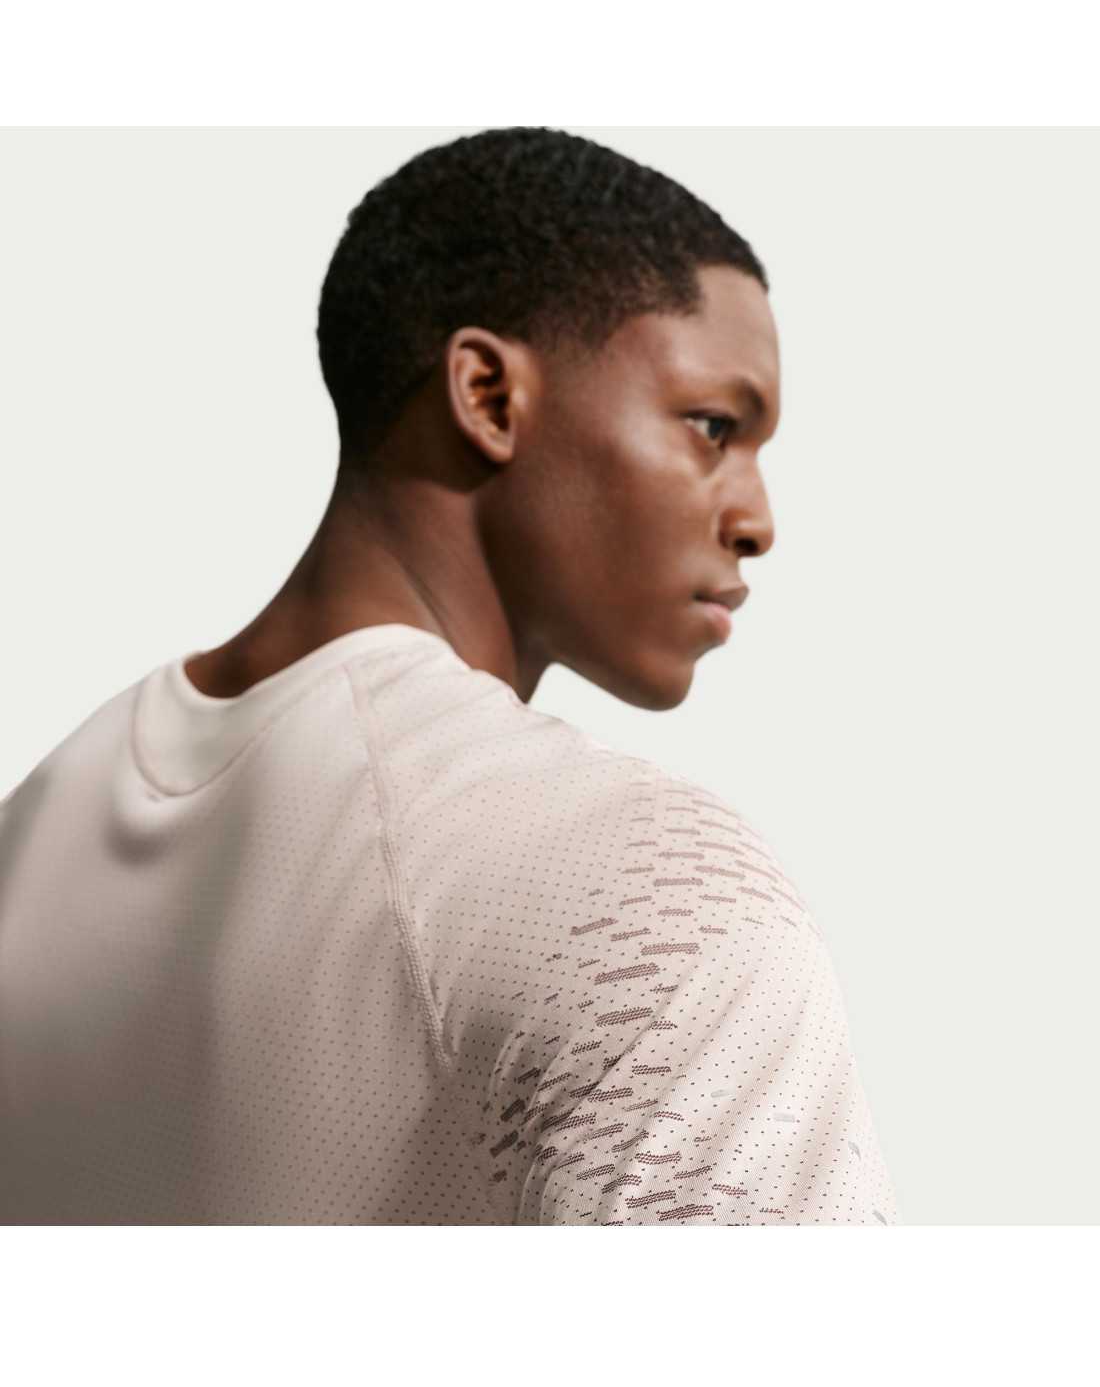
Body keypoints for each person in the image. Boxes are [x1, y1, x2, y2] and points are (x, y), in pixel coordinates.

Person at [0, 126, 899, 1225]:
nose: (756, 520)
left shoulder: (34, 826)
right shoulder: (649, 894)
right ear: (487, 395)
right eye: (713, 427)